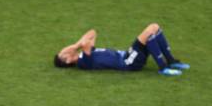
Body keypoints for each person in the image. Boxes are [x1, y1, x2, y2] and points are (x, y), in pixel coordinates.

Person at [54, 23, 190, 76]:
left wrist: (75, 45)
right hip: (128, 63)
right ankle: (163, 68)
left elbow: (92, 32)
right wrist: (75, 46)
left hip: (127, 55)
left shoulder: (86, 54)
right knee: (149, 34)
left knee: (154, 28)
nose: (67, 50)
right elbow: (85, 43)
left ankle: (171, 61)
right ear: (67, 61)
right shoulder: (83, 62)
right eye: (64, 53)